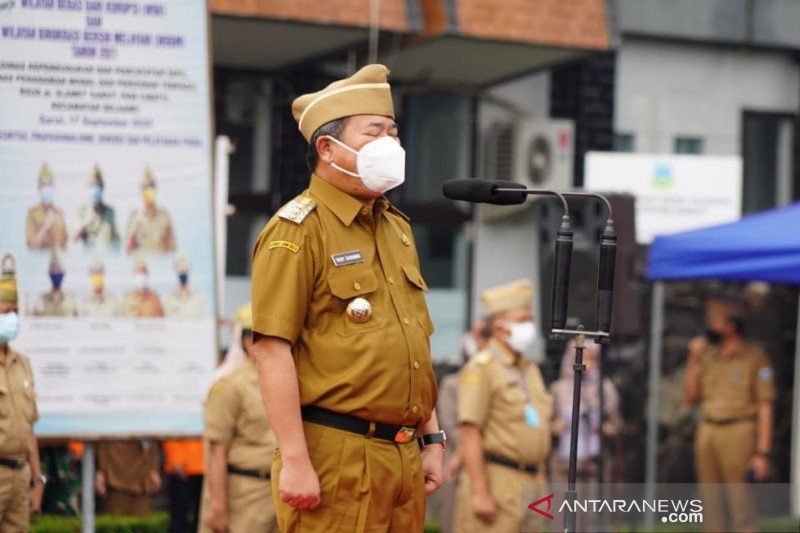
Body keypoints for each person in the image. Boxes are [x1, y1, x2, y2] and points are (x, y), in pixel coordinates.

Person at [250, 64, 444, 532]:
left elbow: (412, 342)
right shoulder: (297, 231)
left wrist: (431, 437)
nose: (390, 145)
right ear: (327, 148)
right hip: (336, 454)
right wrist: (295, 460)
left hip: (402, 457)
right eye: (374, 132)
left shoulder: (396, 228)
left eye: (394, 132)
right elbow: (271, 349)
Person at [456, 279, 552, 533]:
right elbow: (469, 432)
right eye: (521, 320)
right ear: (499, 328)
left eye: (530, 319)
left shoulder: (530, 369)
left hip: (531, 483)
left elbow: (536, 429)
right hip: (496, 481)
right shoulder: (483, 367)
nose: (529, 327)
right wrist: (479, 493)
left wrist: (542, 485)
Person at [684, 294, 776, 533]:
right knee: (710, 504)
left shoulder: (754, 357)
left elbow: (765, 405)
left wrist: (762, 453)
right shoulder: (707, 355)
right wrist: (693, 359)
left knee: (741, 503)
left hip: (739, 431)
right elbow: (691, 398)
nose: (710, 325)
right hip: (708, 430)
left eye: (716, 320)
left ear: (731, 326)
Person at [200, 303, 278, 533]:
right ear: (249, 343)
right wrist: (217, 508)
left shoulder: (287, 382)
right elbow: (216, 452)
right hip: (244, 497)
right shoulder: (229, 386)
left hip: (279, 495)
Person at [0, 252, 46, 529]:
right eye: (5, 312)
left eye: (15, 312)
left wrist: (37, 478)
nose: (12, 319)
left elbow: (29, 427)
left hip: (20, 474)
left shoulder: (22, 365)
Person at [435, 320, 490, 533]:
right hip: (455, 465)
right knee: (453, 522)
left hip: (487, 461)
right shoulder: (451, 383)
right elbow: (448, 421)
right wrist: (466, 446)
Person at [95, 440, 161, 516]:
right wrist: (102, 468)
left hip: (143, 474)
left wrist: (153, 468)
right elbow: (101, 436)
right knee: (115, 520)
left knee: (141, 522)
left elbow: (151, 437)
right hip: (114, 471)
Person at [124, 166, 177, 254]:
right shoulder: (134, 217)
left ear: (155, 189)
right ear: (141, 191)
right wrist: (133, 235)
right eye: (145, 187)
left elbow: (172, 250)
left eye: (151, 186)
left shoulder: (164, 216)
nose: (148, 190)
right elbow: (128, 251)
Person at [162, 438, 204, 533]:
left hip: (207, 467)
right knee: (178, 518)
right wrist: (175, 459)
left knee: (203, 517)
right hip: (183, 469)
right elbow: (171, 432)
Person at [74, 165, 120, 250]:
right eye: (92, 186)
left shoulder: (111, 212)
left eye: (97, 186)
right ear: (88, 188)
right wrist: (85, 223)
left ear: (102, 188)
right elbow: (74, 238)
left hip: (107, 256)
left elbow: (117, 239)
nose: (95, 189)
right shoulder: (82, 211)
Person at [26, 163, 68, 250]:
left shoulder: (59, 213)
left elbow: (65, 244)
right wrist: (45, 226)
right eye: (44, 185)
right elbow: (31, 246)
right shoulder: (32, 213)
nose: (47, 188)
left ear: (53, 187)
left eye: (49, 184)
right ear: (39, 188)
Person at [32, 248, 78, 317]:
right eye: (53, 269)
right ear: (49, 273)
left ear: (63, 273)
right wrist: (37, 314)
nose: (56, 272)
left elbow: (79, 324)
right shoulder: (42, 300)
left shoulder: (71, 300)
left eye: (58, 269)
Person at [164, 252, 207, 318]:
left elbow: (204, 322)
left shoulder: (198, 299)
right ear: (175, 270)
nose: (182, 270)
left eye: (185, 267)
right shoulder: (169, 300)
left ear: (189, 269)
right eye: (179, 267)